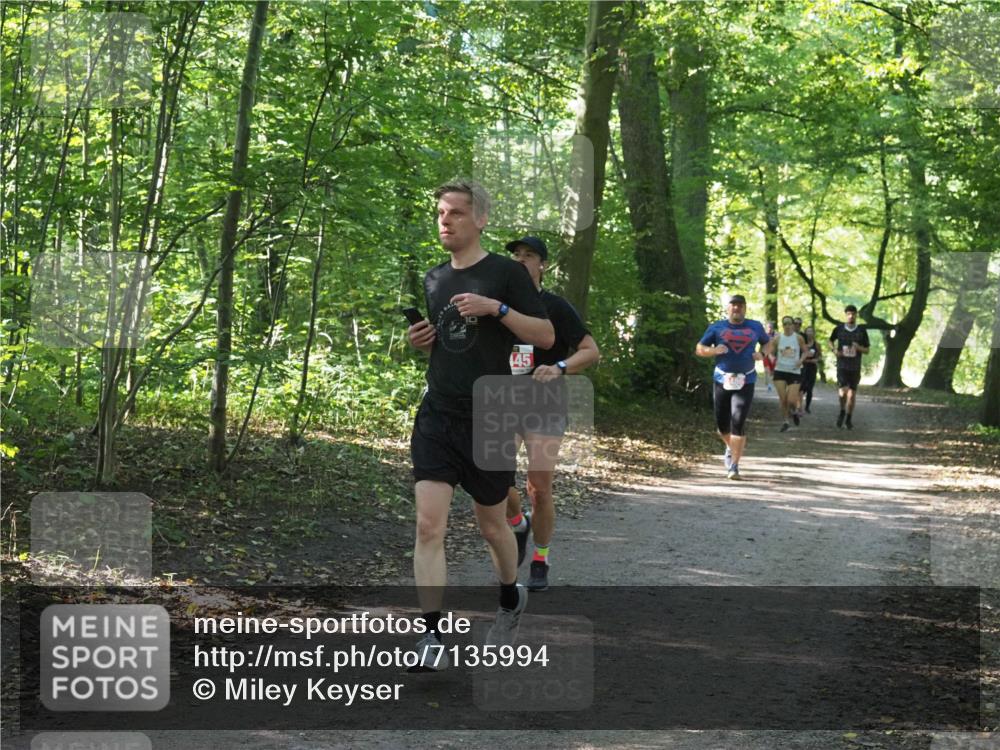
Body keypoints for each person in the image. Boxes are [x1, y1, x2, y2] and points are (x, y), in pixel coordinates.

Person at [406, 180, 555, 670]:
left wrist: (499, 309)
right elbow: (449, 344)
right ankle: (430, 638)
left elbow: (545, 334)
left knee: (493, 526)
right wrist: (421, 340)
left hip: (491, 417)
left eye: (455, 214)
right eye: (440, 214)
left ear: (481, 219)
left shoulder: (507, 274)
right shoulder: (433, 279)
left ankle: (510, 597)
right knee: (429, 526)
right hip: (438, 414)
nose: (445, 221)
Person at [502, 236, 600, 592]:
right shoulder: (498, 306)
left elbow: (590, 351)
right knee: (494, 478)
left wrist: (560, 366)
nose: (520, 261)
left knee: (539, 488)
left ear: (542, 265)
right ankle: (518, 523)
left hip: (545, 404)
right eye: (515, 256)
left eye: (528, 256)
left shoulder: (556, 307)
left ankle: (540, 557)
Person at [695, 295, 770, 480]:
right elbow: (699, 348)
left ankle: (734, 466)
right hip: (722, 379)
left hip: (746, 379)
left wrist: (762, 354)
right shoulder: (716, 327)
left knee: (738, 420)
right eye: (733, 305)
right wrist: (714, 350)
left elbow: (768, 342)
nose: (737, 309)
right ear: (728, 308)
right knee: (721, 427)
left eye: (740, 306)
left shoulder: (755, 326)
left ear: (745, 308)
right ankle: (731, 447)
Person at [828, 304, 871, 429]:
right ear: (845, 315)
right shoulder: (839, 329)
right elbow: (830, 341)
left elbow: (867, 350)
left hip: (855, 366)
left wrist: (859, 348)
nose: (851, 316)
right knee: (843, 392)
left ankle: (848, 418)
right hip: (842, 365)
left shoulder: (862, 331)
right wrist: (834, 350)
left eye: (853, 314)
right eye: (848, 314)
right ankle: (842, 411)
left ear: (856, 315)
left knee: (852, 394)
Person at [773, 316, 807, 432]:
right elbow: (770, 353)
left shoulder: (798, 338)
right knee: (783, 399)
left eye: (789, 323)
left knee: (791, 400)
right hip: (780, 371)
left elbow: (806, 352)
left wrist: (801, 361)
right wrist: (772, 358)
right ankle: (786, 421)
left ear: (793, 325)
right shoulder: (777, 338)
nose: (787, 326)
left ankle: (794, 411)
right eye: (785, 324)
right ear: (782, 326)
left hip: (794, 371)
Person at [798, 326, 820, 414]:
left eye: (811, 331)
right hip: (803, 367)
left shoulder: (816, 344)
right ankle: (799, 406)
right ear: (805, 333)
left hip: (812, 368)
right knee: (801, 387)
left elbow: (819, 356)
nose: (810, 333)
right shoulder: (802, 344)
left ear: (814, 334)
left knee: (810, 388)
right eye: (808, 331)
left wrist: (816, 360)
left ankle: (807, 406)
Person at [762, 321, 777, 392]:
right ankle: (769, 386)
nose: (769, 329)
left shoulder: (777, 335)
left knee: (773, 372)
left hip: (774, 355)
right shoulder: (763, 335)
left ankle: (771, 384)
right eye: (768, 327)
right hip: (766, 355)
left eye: (770, 327)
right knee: (767, 371)